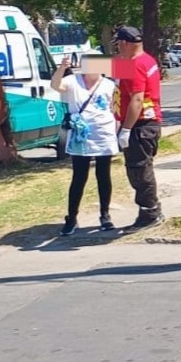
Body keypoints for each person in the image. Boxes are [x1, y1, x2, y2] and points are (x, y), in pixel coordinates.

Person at [51, 56, 120, 236]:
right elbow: (55, 85)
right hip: (80, 136)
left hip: (103, 134)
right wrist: (61, 69)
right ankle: (71, 217)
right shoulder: (72, 81)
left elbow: (115, 107)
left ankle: (105, 215)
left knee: (103, 174)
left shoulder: (109, 84)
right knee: (79, 176)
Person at [114, 26, 165, 231]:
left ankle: (150, 213)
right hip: (143, 123)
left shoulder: (136, 65)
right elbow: (117, 84)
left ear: (125, 43)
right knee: (139, 168)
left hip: (140, 125)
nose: (118, 48)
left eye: (118, 44)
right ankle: (148, 210)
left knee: (139, 170)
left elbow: (137, 99)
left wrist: (126, 129)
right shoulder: (145, 60)